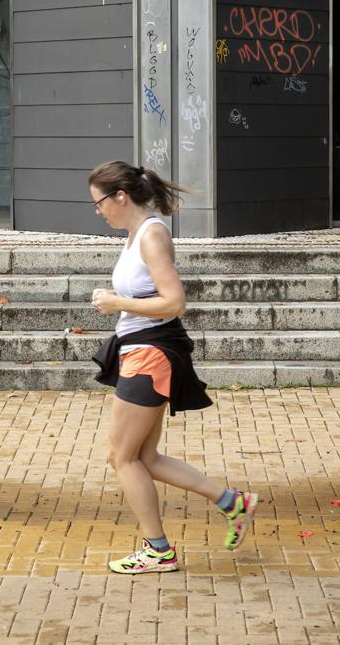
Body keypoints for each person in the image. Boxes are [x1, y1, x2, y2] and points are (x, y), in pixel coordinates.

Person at [89, 160, 258, 574]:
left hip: (151, 353)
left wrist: (117, 303)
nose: (97, 211)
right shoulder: (137, 235)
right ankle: (231, 503)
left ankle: (159, 551)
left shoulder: (151, 236)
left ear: (120, 197)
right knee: (145, 458)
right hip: (142, 349)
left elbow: (174, 302)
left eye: (98, 203)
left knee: (122, 457)